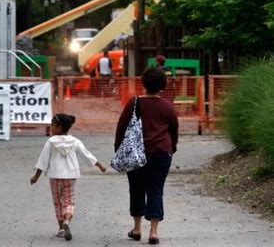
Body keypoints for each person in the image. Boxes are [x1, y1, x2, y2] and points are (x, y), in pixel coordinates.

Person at [114, 67, 179, 245]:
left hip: (136, 152)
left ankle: (136, 229)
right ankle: (154, 232)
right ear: (162, 86)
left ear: (143, 84)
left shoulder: (134, 103)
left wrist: (118, 149)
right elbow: (174, 130)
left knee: (136, 189)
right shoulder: (167, 106)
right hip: (161, 153)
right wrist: (172, 148)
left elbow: (122, 127)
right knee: (156, 189)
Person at [30, 113, 106, 241]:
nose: (51, 128)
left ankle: (61, 228)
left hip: (54, 176)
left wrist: (36, 177)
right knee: (69, 202)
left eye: (52, 126)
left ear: (59, 127)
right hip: (70, 176)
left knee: (57, 202)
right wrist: (100, 165)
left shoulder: (50, 142)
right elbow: (86, 155)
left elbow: (43, 161)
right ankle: (67, 221)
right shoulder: (75, 141)